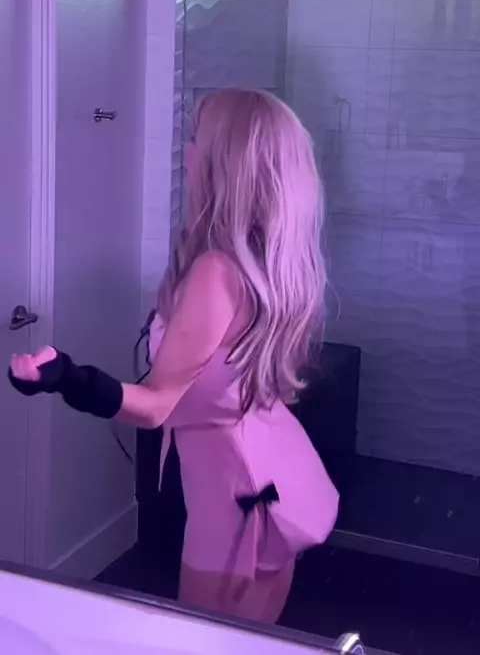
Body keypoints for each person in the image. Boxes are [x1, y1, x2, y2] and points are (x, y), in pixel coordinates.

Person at [8, 89, 339, 624]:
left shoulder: (218, 272)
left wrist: (65, 376)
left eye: (195, 140)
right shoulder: (266, 263)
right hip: (269, 481)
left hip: (238, 505)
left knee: (206, 638)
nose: (185, 153)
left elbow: (155, 406)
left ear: (225, 162)